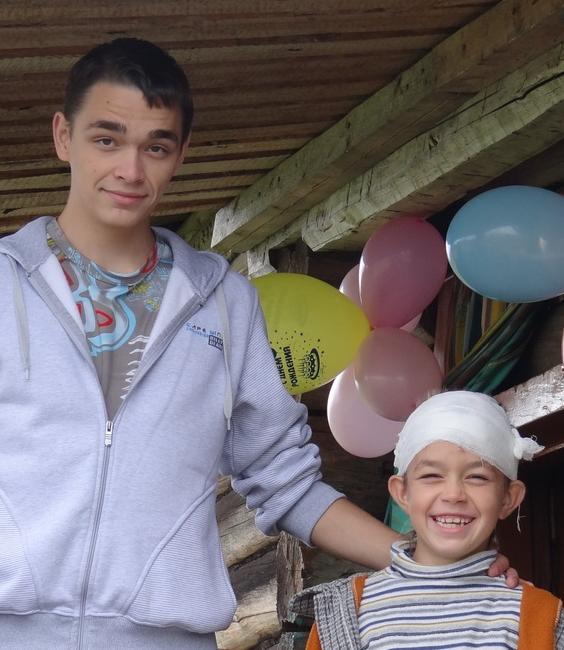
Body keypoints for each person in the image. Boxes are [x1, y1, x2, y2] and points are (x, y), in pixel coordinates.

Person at [0, 38, 514, 649]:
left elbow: (283, 479)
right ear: (63, 136)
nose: (130, 171)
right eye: (106, 140)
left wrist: (426, 561)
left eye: (155, 146)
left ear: (180, 154)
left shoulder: (224, 303)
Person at [290, 390, 563, 650]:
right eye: (431, 476)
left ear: (508, 498)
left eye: (477, 477)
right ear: (402, 493)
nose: (453, 494)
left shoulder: (540, 617)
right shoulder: (348, 612)